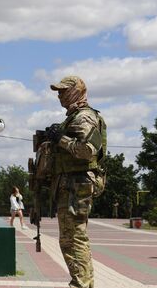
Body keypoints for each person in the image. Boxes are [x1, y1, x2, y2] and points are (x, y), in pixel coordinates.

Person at [49, 75, 106, 288]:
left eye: (63, 91)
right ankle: (83, 283)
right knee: (71, 238)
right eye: (58, 92)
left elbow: (87, 151)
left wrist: (60, 139)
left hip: (77, 184)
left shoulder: (84, 117)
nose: (59, 95)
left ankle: (81, 284)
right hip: (71, 184)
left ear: (76, 90)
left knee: (74, 238)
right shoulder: (74, 117)